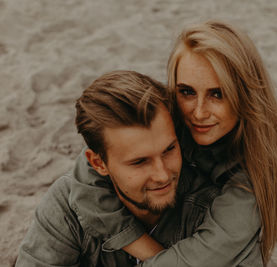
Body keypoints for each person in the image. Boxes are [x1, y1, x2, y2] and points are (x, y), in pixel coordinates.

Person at [68, 20, 277, 266]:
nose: (199, 113)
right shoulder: (169, 117)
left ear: (244, 94)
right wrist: (136, 242)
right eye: (187, 92)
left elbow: (200, 256)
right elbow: (86, 175)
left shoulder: (258, 172)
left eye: (217, 94)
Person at [15, 70, 220, 266]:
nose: (162, 175)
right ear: (98, 163)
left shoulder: (212, 208)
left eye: (169, 150)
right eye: (140, 161)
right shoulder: (65, 207)